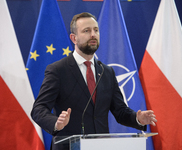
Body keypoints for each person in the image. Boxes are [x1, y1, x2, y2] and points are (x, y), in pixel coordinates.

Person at [31, 12, 157, 150]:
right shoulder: (58, 70)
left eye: (96, 30)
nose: (93, 34)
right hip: (68, 146)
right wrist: (56, 123)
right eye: (86, 31)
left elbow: (120, 111)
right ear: (74, 38)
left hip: (101, 146)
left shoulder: (106, 72)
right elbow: (38, 109)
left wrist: (137, 119)